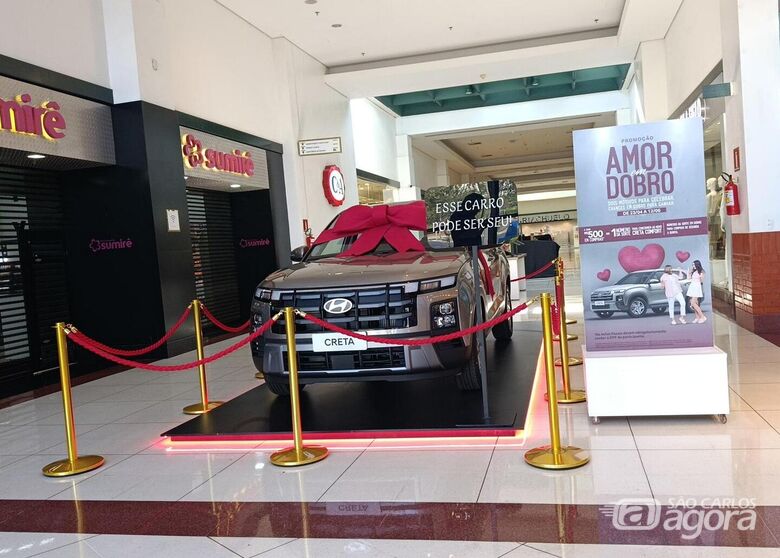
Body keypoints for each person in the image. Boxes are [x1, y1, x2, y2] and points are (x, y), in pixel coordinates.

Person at [687, 259, 707, 324]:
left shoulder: (701, 271)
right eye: (692, 265)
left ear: (697, 264)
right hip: (692, 287)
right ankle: (697, 317)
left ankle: (703, 316)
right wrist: (689, 273)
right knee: (694, 302)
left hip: (696, 287)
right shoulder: (694, 271)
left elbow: (701, 281)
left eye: (694, 264)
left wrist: (701, 276)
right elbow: (689, 279)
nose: (693, 266)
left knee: (693, 303)